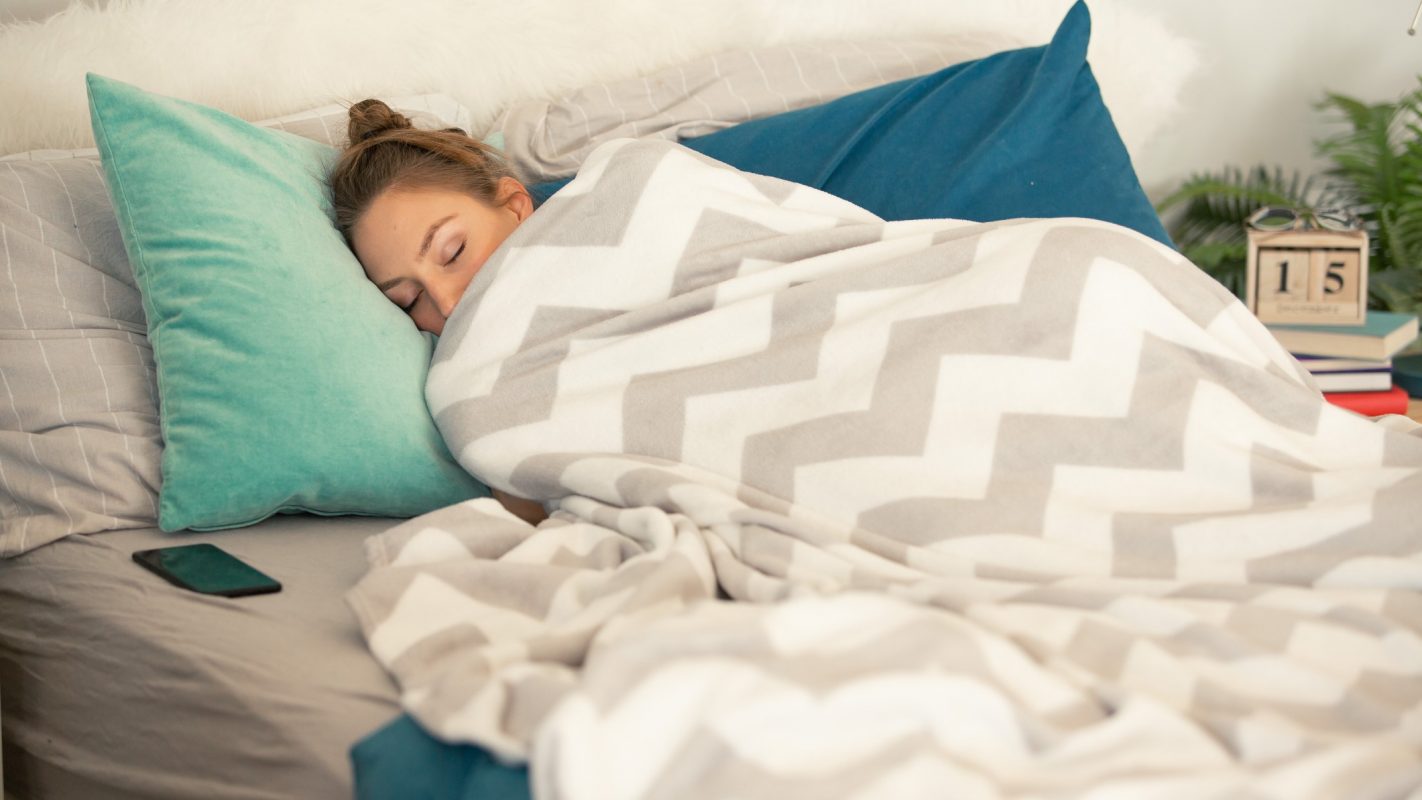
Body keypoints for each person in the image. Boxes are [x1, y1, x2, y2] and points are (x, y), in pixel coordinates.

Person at [330, 98, 547, 525]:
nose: (447, 304)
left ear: (515, 206)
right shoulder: (463, 384)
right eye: (408, 301)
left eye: (453, 251)